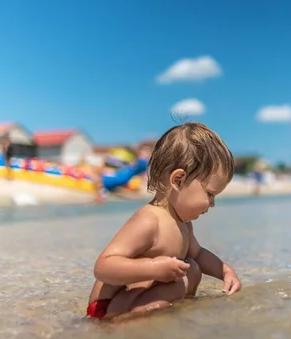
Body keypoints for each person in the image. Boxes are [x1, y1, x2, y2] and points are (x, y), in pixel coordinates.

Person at [86, 122, 242, 320]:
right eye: (210, 194)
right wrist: (154, 268)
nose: (212, 204)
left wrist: (226, 271)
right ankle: (132, 328)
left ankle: (168, 321)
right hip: (106, 308)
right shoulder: (149, 220)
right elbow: (103, 267)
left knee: (192, 267)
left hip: (135, 299)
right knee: (180, 280)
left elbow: (199, 254)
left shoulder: (183, 223)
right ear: (178, 180)